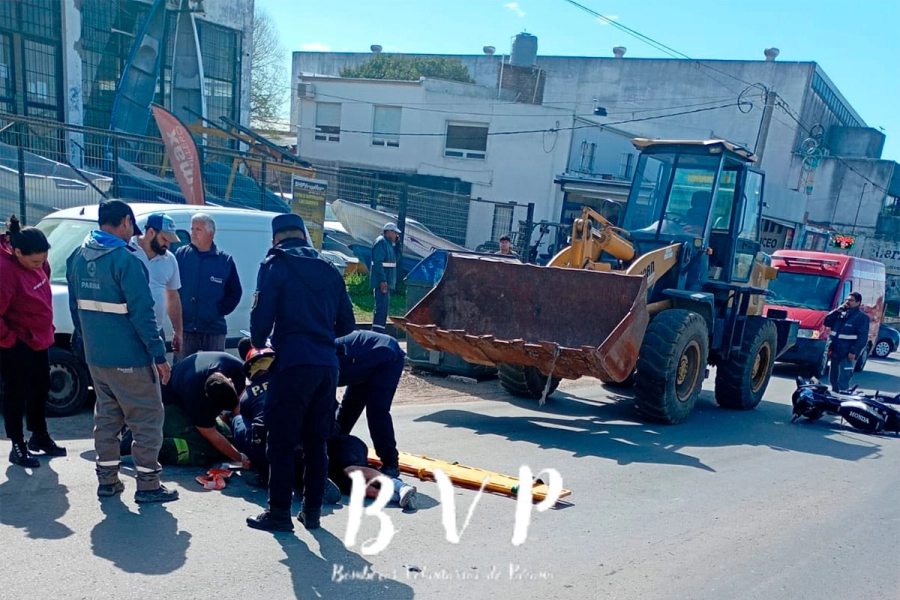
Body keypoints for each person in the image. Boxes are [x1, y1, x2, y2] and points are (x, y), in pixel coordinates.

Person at [246, 213, 355, 532]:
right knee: (316, 442)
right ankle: (313, 512)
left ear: (274, 239)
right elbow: (347, 324)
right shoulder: (329, 267)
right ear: (304, 236)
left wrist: (265, 341)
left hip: (292, 365)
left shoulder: (274, 265)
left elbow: (259, 325)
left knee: (280, 441)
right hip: (326, 367)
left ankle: (279, 513)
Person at [66, 200, 177, 503]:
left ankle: (107, 481)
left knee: (106, 418)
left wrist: (88, 343)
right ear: (126, 221)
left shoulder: (76, 257)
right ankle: (149, 485)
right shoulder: (126, 260)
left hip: (97, 358)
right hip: (131, 357)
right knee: (147, 419)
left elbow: (75, 310)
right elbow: (143, 314)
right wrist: (158, 356)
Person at [0, 215, 66, 467]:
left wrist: (45, 327)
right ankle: (17, 443)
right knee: (15, 393)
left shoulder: (40, 264)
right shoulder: (5, 271)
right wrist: (10, 340)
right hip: (16, 342)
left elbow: (41, 294)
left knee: (41, 388)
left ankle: (39, 435)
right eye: (35, 260)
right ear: (17, 252)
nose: (40, 265)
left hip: (40, 338)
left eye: (43, 259)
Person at [127, 351, 248, 468]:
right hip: (170, 407)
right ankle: (143, 445)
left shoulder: (237, 369)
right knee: (202, 451)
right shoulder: (195, 394)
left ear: (231, 381)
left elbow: (238, 406)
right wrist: (240, 458)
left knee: (230, 438)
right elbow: (209, 433)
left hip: (192, 393)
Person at [335, 330, 404, 478]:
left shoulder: (316, 357)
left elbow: (323, 401)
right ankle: (336, 449)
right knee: (348, 409)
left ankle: (391, 463)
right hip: (362, 362)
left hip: (386, 356)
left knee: (377, 412)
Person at [175, 212, 242, 360]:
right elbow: (171, 287)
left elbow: (235, 292)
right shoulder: (181, 255)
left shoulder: (224, 261)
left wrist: (217, 311)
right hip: (185, 329)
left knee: (214, 373)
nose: (193, 233)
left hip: (214, 329)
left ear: (211, 233)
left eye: (198, 230)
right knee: (182, 374)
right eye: (192, 229)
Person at [132, 212, 183, 353]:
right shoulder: (127, 251)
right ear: (150, 232)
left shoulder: (169, 259)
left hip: (156, 331)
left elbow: (172, 296)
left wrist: (178, 331)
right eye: (164, 239)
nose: (167, 244)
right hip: (129, 331)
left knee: (158, 374)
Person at [823, 291, 870, 393]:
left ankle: (842, 401)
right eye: (847, 299)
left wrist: (854, 351)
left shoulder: (861, 317)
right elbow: (826, 322)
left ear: (858, 303)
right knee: (833, 379)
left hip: (847, 353)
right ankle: (834, 399)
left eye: (851, 300)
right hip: (835, 351)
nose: (848, 302)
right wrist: (837, 311)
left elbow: (863, 337)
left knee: (843, 381)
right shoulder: (841, 314)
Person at [370, 222, 400, 333]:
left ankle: (378, 331)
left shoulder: (389, 244)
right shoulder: (381, 243)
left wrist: (398, 245)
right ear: (388, 232)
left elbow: (396, 259)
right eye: (395, 232)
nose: (396, 235)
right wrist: (383, 280)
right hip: (382, 282)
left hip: (387, 281)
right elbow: (378, 262)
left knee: (383, 308)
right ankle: (377, 333)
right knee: (381, 308)